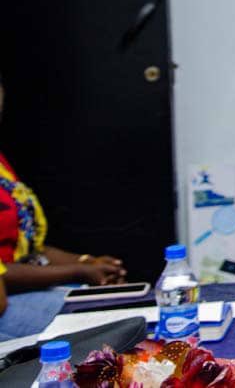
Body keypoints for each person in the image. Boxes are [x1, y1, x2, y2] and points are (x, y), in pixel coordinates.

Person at [0, 71, 126, 340]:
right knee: (108, 331)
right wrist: (78, 270)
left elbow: (31, 248)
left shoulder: (2, 165)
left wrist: (87, 262)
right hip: (8, 303)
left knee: (119, 310)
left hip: (24, 292)